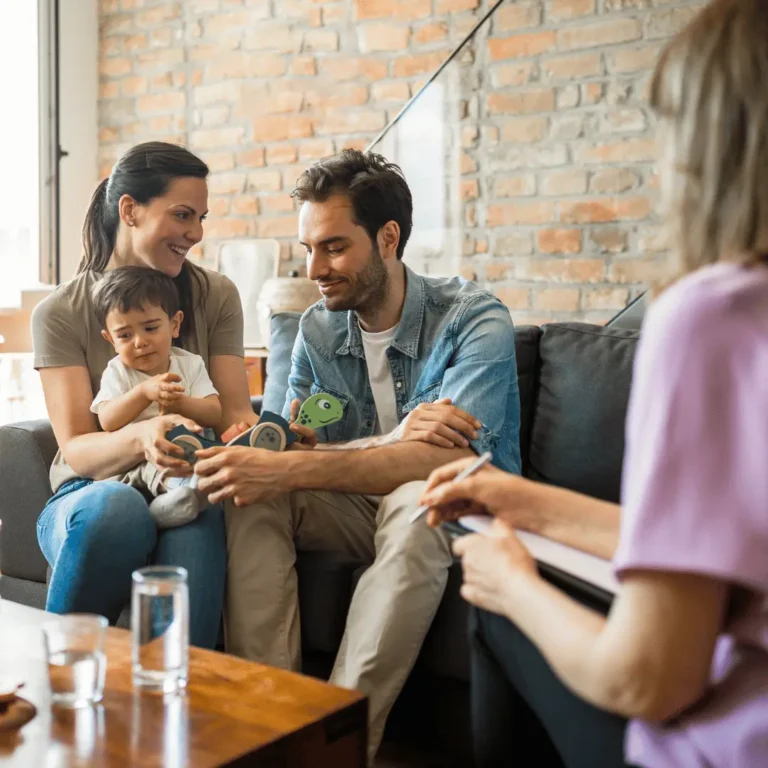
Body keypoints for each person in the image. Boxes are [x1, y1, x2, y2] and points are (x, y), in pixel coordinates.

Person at [421, 1, 768, 766]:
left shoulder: (714, 317)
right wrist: (522, 500)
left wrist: (514, 585)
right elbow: (710, 544)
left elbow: (648, 677)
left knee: (493, 603)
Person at [193, 149, 522, 761]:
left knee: (418, 502)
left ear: (388, 238)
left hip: (456, 511)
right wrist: (275, 450)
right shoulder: (317, 330)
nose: (315, 268)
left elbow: (447, 466)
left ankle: (333, 749)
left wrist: (303, 463)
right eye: (308, 248)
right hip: (355, 505)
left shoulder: (473, 320)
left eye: (334, 247)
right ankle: (273, 731)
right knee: (253, 495)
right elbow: (286, 447)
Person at [32, 141, 256, 649]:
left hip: (183, 475)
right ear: (130, 210)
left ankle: (176, 688)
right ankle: (61, 671)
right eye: (182, 215)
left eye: (200, 218)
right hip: (89, 490)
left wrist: (269, 437)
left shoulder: (216, 295)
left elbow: (234, 414)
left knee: (198, 508)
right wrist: (144, 434)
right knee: (118, 508)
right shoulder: (60, 313)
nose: (196, 233)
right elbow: (78, 449)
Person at [91, 265, 221, 528]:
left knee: (213, 456)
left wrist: (180, 402)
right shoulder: (118, 372)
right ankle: (170, 506)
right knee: (156, 468)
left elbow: (214, 413)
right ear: (111, 340)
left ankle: (191, 492)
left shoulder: (190, 364)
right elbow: (107, 420)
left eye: (150, 328)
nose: (140, 342)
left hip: (189, 450)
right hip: (138, 461)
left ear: (174, 325)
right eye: (125, 335)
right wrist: (143, 392)